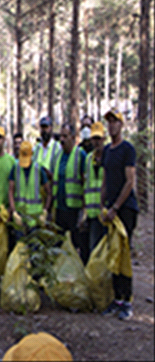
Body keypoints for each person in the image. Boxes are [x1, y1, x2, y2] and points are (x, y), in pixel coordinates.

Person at [101, 108, 138, 321]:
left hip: (125, 209)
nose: (111, 125)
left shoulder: (127, 149)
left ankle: (128, 300)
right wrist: (102, 205)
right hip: (110, 211)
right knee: (112, 253)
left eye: (115, 121)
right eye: (109, 122)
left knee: (123, 253)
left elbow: (129, 181)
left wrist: (115, 206)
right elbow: (105, 180)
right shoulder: (108, 150)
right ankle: (116, 299)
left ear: (121, 125)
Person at [52, 123, 86, 249]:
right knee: (59, 243)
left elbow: (84, 182)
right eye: (61, 136)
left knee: (75, 243)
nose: (62, 139)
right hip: (60, 208)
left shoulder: (80, 155)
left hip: (74, 209)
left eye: (65, 136)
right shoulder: (58, 156)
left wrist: (84, 211)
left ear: (72, 137)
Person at [8, 141, 51, 241]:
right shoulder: (15, 167)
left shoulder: (38, 169)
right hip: (20, 217)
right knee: (20, 251)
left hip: (35, 219)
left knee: (34, 250)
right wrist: (14, 211)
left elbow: (49, 193)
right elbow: (10, 190)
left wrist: (45, 211)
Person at [80, 121, 107, 264]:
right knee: (93, 249)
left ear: (104, 139)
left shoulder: (109, 156)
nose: (96, 142)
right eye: (94, 139)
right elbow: (86, 184)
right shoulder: (88, 159)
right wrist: (84, 210)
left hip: (105, 213)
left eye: (99, 138)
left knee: (106, 250)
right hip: (91, 213)